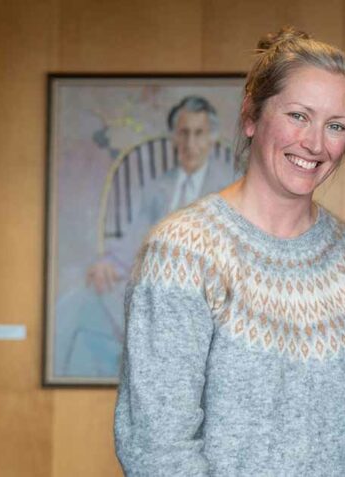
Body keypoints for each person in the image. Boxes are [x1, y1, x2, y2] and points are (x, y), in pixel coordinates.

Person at [114, 27, 345, 476]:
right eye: (299, 115)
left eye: (335, 125)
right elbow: (156, 446)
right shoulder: (182, 250)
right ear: (251, 116)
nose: (315, 143)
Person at [54, 95, 240, 377]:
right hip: (157, 284)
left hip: (209, 290)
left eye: (199, 133)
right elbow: (135, 240)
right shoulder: (158, 187)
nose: (191, 143)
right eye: (184, 133)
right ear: (173, 137)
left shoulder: (231, 186)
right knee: (77, 302)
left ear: (212, 137)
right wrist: (110, 264)